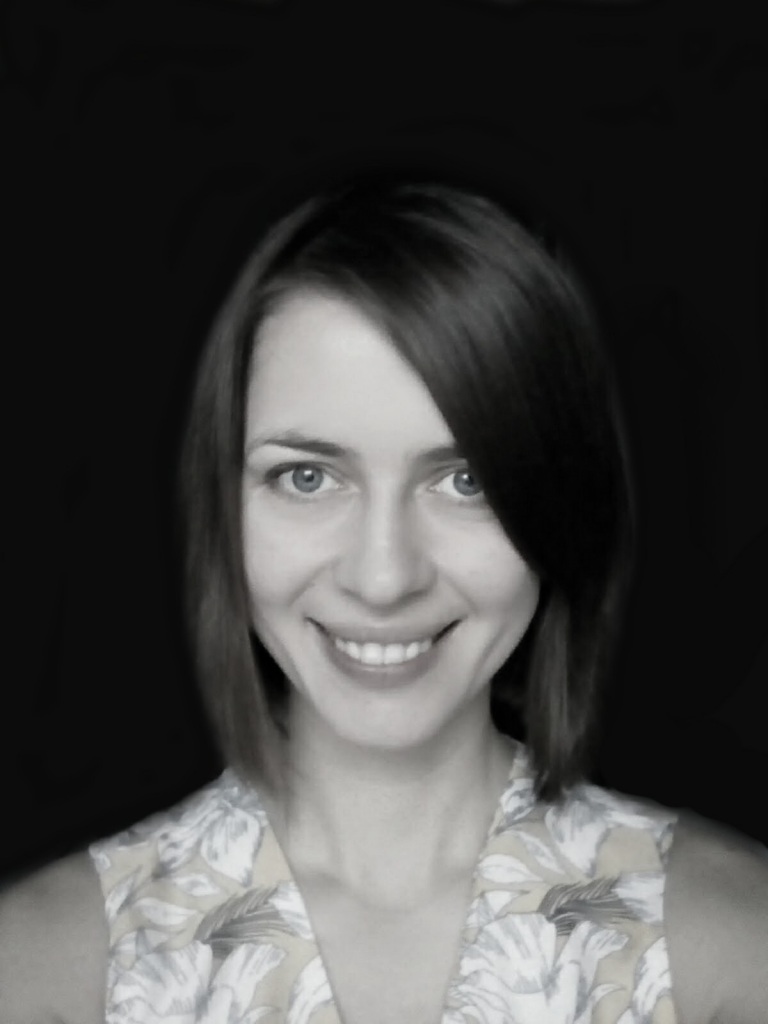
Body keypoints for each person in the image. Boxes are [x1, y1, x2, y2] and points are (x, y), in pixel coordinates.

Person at [1, 177, 766, 1024]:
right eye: (307, 477)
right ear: (221, 503)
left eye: (466, 480)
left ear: (559, 502)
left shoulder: (735, 953)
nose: (383, 577)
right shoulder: (39, 972)